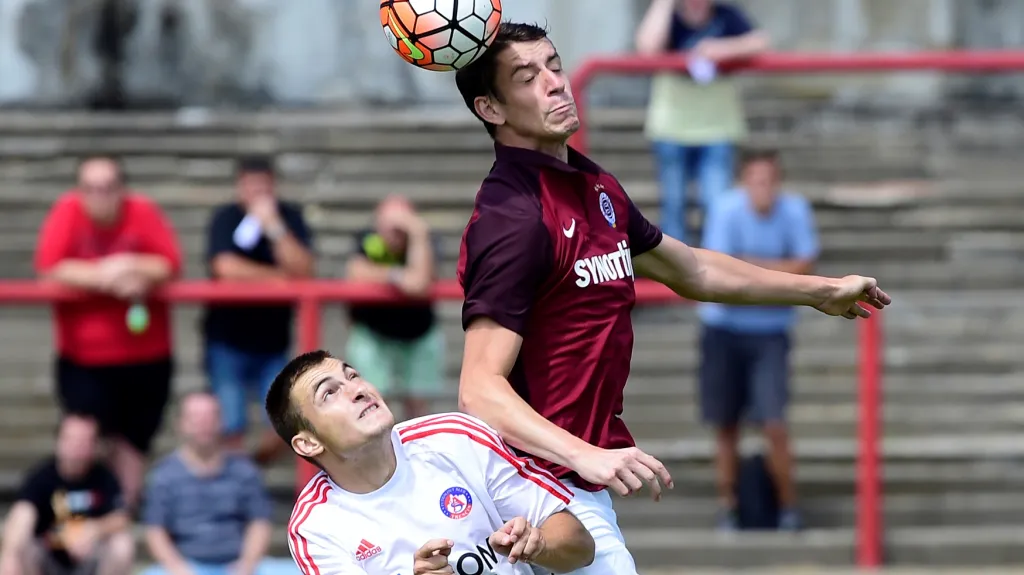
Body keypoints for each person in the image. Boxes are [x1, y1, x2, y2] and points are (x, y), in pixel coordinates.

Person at [452, 22, 890, 574]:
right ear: (491, 108)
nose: (555, 84)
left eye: (554, 66)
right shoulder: (512, 217)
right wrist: (585, 454)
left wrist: (820, 291)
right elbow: (478, 388)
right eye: (527, 77)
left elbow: (694, 269)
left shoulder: (596, 188)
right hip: (526, 487)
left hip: (569, 481)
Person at [265, 350, 596, 575]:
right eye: (329, 393)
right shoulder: (314, 527)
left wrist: (538, 544)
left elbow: (580, 544)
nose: (358, 389)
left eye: (353, 376)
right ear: (308, 443)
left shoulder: (454, 438)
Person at [35, 155, 182, 510]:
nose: (99, 196)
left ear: (121, 190)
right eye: (91, 188)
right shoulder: (66, 212)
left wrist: (131, 265)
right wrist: (107, 275)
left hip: (145, 356)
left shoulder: (142, 211)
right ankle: (85, 516)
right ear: (80, 191)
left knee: (133, 444)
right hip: (84, 357)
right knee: (85, 437)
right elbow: (49, 268)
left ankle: (122, 515)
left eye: (107, 188)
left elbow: (169, 263)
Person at [698, 149, 818, 531]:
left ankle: (788, 506)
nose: (763, 189)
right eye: (756, 181)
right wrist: (779, 276)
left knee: (774, 424)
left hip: (770, 333)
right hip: (724, 329)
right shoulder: (725, 209)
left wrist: (747, 267)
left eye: (769, 181)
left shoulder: (795, 210)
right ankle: (728, 505)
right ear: (743, 182)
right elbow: (719, 272)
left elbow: (804, 264)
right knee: (725, 424)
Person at [202, 156, 315, 464]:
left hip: (274, 343)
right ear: (239, 187)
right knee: (230, 424)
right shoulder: (225, 218)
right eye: (251, 187)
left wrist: (274, 227)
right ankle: (238, 487)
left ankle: (249, 473)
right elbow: (224, 267)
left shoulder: (289, 217)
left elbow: (303, 268)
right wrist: (280, 278)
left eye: (263, 187)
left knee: (283, 425)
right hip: (227, 340)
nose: (257, 194)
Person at [635, 0, 769, 244]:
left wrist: (722, 49)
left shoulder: (727, 16)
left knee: (716, 206)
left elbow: (760, 42)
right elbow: (647, 48)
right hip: (671, 129)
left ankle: (714, 275)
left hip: (717, 129)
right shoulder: (670, 19)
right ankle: (674, 276)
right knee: (674, 207)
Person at [140, 391, 298, 575]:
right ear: (180, 424)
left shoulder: (245, 470)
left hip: (241, 566)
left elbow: (259, 522)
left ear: (221, 420)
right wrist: (178, 568)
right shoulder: (164, 474)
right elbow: (155, 530)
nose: (203, 424)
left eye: (210, 416)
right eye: (196, 418)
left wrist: (246, 565)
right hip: (185, 566)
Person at [345, 195, 443, 420]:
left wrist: (418, 234)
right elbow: (356, 273)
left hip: (419, 334)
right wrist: (397, 276)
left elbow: (420, 283)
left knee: (419, 409)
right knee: (374, 402)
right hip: (374, 333)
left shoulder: (424, 241)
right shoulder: (367, 239)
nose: (395, 229)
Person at [0, 414, 134, 575]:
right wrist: (10, 555)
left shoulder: (104, 477)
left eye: (84, 440)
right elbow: (22, 513)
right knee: (22, 515)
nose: (77, 446)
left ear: (95, 444)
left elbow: (121, 517)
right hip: (47, 559)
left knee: (122, 544)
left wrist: (93, 529)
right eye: (72, 439)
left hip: (91, 559)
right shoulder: (41, 477)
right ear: (59, 441)